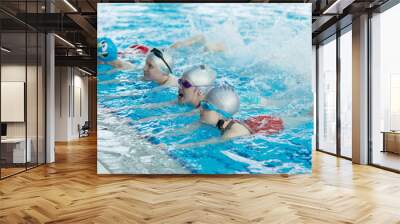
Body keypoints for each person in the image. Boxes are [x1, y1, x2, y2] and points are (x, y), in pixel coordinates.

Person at [199, 86, 284, 139]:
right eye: (202, 104)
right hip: (254, 122)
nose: (201, 109)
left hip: (274, 126)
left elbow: (204, 144)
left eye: (206, 106)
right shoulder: (222, 122)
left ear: (221, 113)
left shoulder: (230, 134)